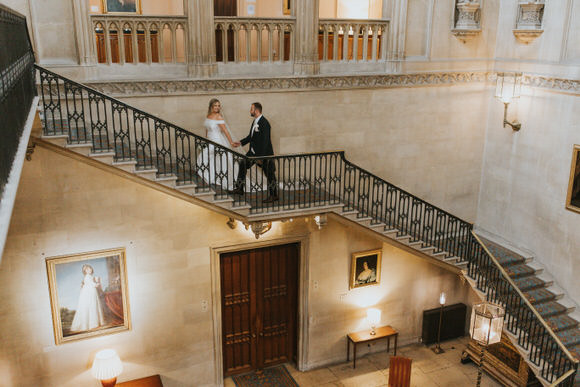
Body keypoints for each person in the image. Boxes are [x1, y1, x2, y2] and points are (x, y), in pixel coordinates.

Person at [230, 102, 278, 203]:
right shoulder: (255, 121)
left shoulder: (264, 123)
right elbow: (250, 137)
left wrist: (260, 157)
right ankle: (239, 188)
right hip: (253, 153)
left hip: (264, 154)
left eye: (251, 109)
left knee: (270, 175)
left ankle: (274, 195)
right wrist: (240, 143)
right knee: (242, 163)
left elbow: (265, 141)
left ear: (256, 110)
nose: (250, 111)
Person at [196, 99, 239, 190]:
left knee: (206, 157)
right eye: (215, 105)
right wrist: (206, 139)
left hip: (217, 141)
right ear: (211, 106)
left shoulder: (219, 117)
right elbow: (207, 129)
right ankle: (213, 177)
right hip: (210, 140)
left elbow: (225, 131)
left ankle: (222, 179)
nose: (217, 107)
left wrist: (231, 142)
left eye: (218, 105)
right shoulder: (208, 115)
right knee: (212, 160)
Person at [70, 264, 105, 332]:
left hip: (91, 293)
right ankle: (91, 324)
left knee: (93, 306)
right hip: (89, 294)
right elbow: (93, 285)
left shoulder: (90, 276)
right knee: (91, 306)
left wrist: (96, 282)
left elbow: (91, 284)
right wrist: (97, 282)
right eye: (88, 269)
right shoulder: (87, 277)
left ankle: (93, 323)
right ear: (85, 271)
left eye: (90, 268)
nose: (90, 270)